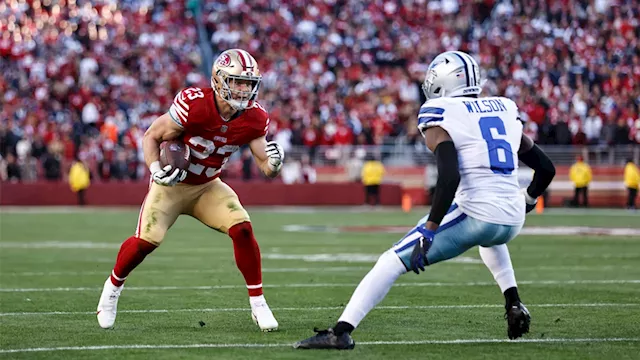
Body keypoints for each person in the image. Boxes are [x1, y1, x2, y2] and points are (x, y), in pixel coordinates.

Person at [294, 50, 556, 350]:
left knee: (391, 261)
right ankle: (514, 303)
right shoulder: (505, 107)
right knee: (491, 238)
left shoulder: (441, 111)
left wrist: (430, 229)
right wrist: (528, 200)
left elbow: (449, 177)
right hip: (511, 218)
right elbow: (546, 168)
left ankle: (340, 332)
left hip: (477, 213)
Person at [96, 49, 285, 332]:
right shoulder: (194, 104)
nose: (244, 89)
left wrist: (275, 163)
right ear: (220, 81)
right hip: (172, 185)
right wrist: (154, 168)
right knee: (146, 242)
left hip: (208, 186)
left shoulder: (254, 117)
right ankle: (111, 289)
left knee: (242, 228)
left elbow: (265, 166)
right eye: (237, 82)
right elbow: (152, 135)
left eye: (248, 83)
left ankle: (258, 303)